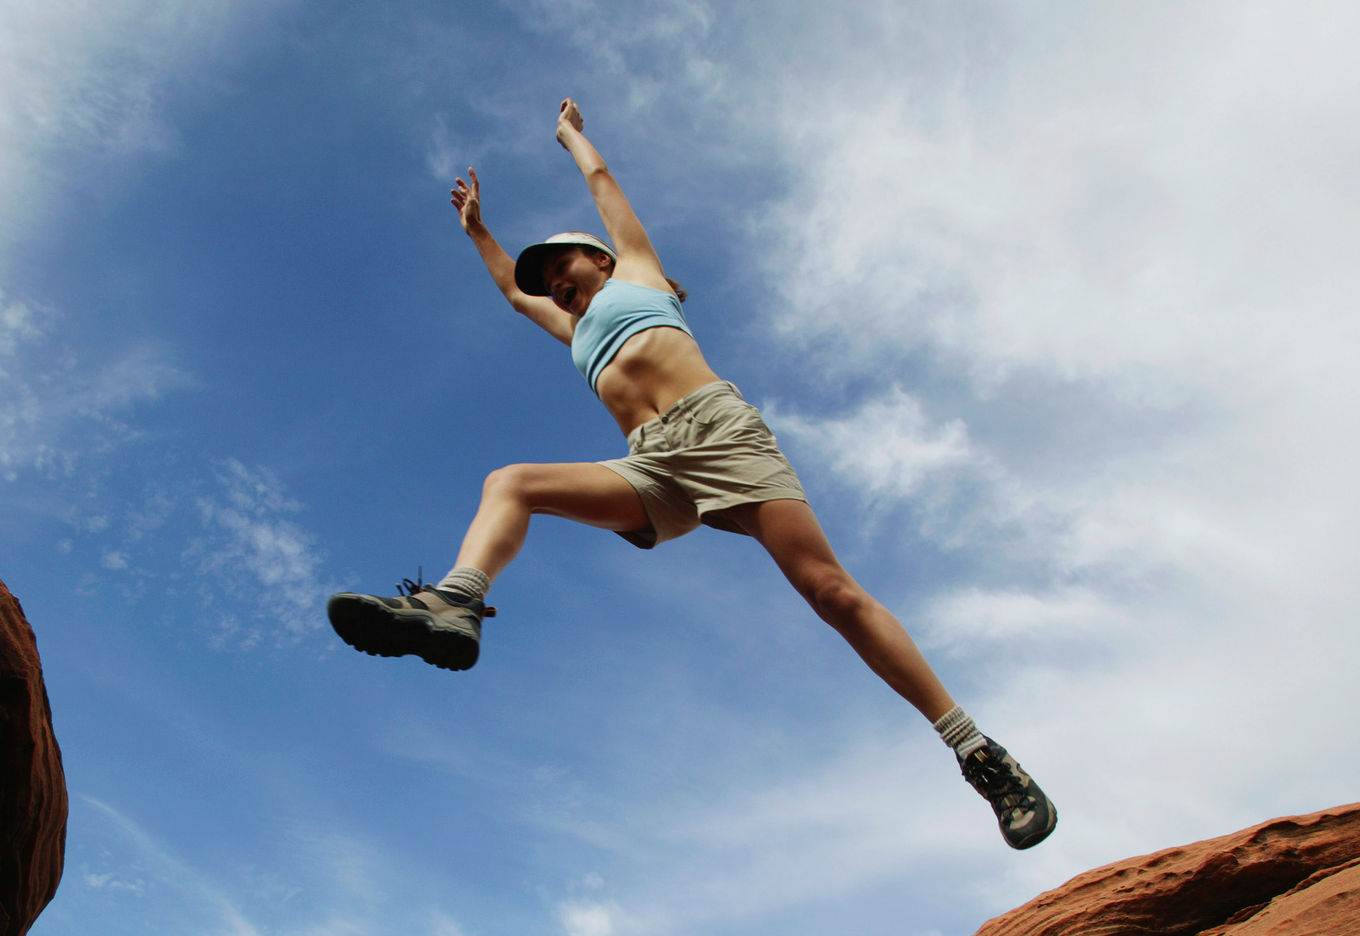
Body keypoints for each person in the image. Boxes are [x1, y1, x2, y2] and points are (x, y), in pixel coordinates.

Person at [326, 100, 1056, 850]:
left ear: (601, 259)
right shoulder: (573, 329)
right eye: (549, 281)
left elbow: (605, 183)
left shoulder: (638, 276)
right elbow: (515, 295)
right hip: (652, 464)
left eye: (563, 267)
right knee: (511, 481)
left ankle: (977, 751)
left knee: (830, 592)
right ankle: (456, 604)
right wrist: (480, 232)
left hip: (719, 433)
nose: (554, 284)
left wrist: (572, 137)